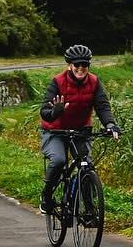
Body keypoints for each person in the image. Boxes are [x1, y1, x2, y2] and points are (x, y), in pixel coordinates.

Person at [39, 44, 121, 214]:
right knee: (59, 160)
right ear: (69, 65)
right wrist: (55, 111)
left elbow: (102, 106)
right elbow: (44, 112)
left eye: (84, 65)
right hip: (56, 131)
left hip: (80, 131)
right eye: (77, 65)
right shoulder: (58, 82)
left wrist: (110, 124)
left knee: (86, 167)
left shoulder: (94, 82)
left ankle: (89, 211)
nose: (81, 69)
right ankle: (46, 195)